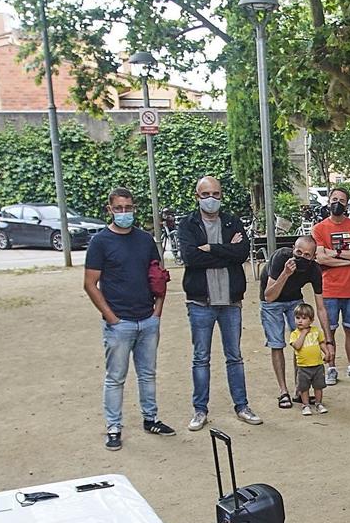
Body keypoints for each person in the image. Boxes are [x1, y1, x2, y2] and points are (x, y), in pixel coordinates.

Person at [83, 187, 173, 448]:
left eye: (128, 207)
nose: (124, 212)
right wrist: (111, 317)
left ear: (134, 208)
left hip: (147, 319)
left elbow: (158, 277)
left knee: (147, 374)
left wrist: (157, 311)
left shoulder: (145, 240)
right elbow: (90, 283)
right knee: (115, 377)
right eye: (119, 208)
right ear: (110, 210)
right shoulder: (100, 242)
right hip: (119, 322)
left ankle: (151, 418)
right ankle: (113, 427)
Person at [176, 176, 260, 431]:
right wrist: (225, 251)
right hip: (201, 301)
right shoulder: (187, 224)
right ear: (197, 196)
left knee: (234, 356)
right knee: (201, 358)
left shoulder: (232, 221)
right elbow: (190, 258)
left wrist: (210, 248)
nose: (211, 199)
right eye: (205, 194)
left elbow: (242, 253)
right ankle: (200, 410)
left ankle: (242, 406)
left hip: (231, 300)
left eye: (215, 194)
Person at [312, 184, 350, 385]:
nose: (337, 204)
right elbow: (320, 258)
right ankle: (331, 368)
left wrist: (334, 253)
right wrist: (348, 258)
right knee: (330, 330)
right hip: (329, 289)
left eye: (341, 201)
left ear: (347, 204)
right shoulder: (319, 228)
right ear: (328, 202)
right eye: (334, 200)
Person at [259, 234, 323, 410]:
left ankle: (299, 389)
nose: (302, 257)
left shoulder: (314, 270)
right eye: (298, 252)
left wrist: (328, 340)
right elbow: (269, 295)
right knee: (277, 343)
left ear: (313, 257)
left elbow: (321, 307)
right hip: (272, 301)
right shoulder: (281, 257)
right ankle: (283, 391)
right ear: (293, 250)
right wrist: (286, 274)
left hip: (294, 299)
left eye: (307, 255)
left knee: (301, 342)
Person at [288, 302, 331, 415]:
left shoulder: (316, 331)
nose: (300, 321)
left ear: (311, 320)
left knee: (318, 386)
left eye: (304, 318)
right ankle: (305, 404)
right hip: (303, 366)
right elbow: (297, 346)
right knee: (304, 387)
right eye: (297, 318)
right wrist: (303, 333)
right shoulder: (295, 334)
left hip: (317, 364)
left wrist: (326, 352)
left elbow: (321, 343)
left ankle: (318, 403)